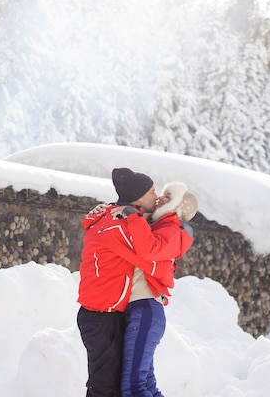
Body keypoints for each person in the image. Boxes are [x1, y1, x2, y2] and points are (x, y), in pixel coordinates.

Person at [77, 168, 194, 397]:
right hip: (103, 315)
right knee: (110, 388)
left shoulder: (125, 218)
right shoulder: (120, 223)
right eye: (153, 192)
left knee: (129, 385)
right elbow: (146, 252)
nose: (157, 196)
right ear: (138, 197)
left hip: (116, 312)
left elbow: (151, 248)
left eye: (163, 195)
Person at [121, 182, 197, 397]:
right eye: (162, 194)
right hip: (142, 310)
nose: (160, 199)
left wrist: (131, 216)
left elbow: (148, 249)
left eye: (168, 197)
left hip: (145, 310)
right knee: (145, 385)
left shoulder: (172, 230)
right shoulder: (160, 226)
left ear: (176, 207)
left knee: (133, 388)